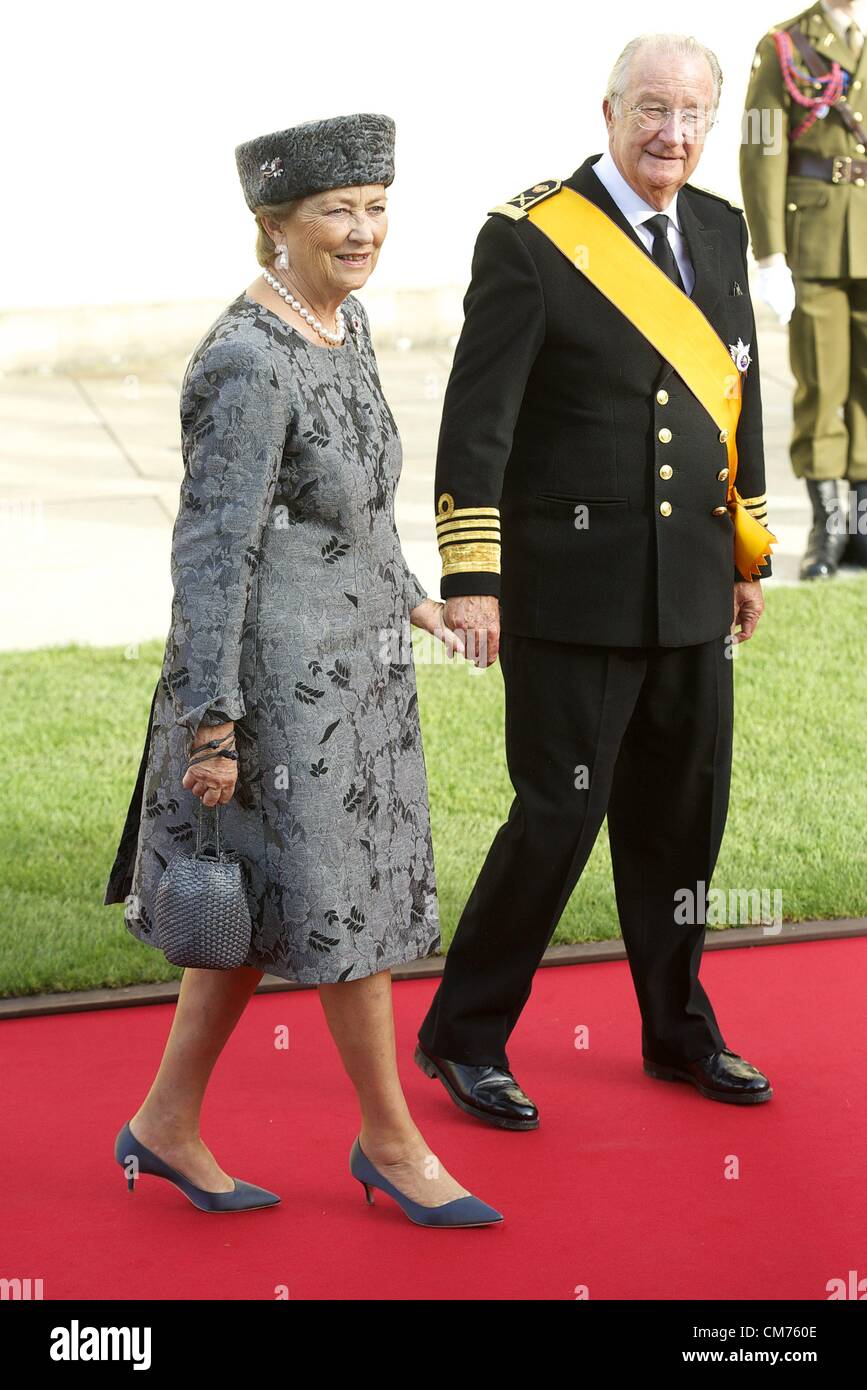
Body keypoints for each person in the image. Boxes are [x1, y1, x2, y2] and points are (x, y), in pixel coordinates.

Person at [104, 112, 501, 1228]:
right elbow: (212, 551)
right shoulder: (245, 360)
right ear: (275, 225)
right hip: (275, 696)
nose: (364, 229)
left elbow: (359, 501)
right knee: (343, 916)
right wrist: (211, 723)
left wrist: (414, 594)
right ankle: (391, 1141)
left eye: (377, 206)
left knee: (262, 910)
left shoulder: (346, 323)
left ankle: (165, 1123)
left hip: (359, 678)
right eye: (337, 211)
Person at [415, 34, 776, 1131]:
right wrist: (474, 573)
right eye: (653, 109)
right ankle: (464, 1035)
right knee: (556, 819)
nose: (673, 133)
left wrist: (748, 552)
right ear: (610, 108)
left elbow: (736, 393)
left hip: (689, 592)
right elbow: (477, 425)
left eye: (694, 115)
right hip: (572, 596)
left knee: (682, 823)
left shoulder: (716, 225)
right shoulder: (530, 241)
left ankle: (678, 1030)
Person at [741, 0, 867, 578]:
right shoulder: (784, 45)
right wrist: (770, 254)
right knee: (822, 381)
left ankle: (861, 522)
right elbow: (763, 146)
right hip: (815, 235)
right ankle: (827, 523)